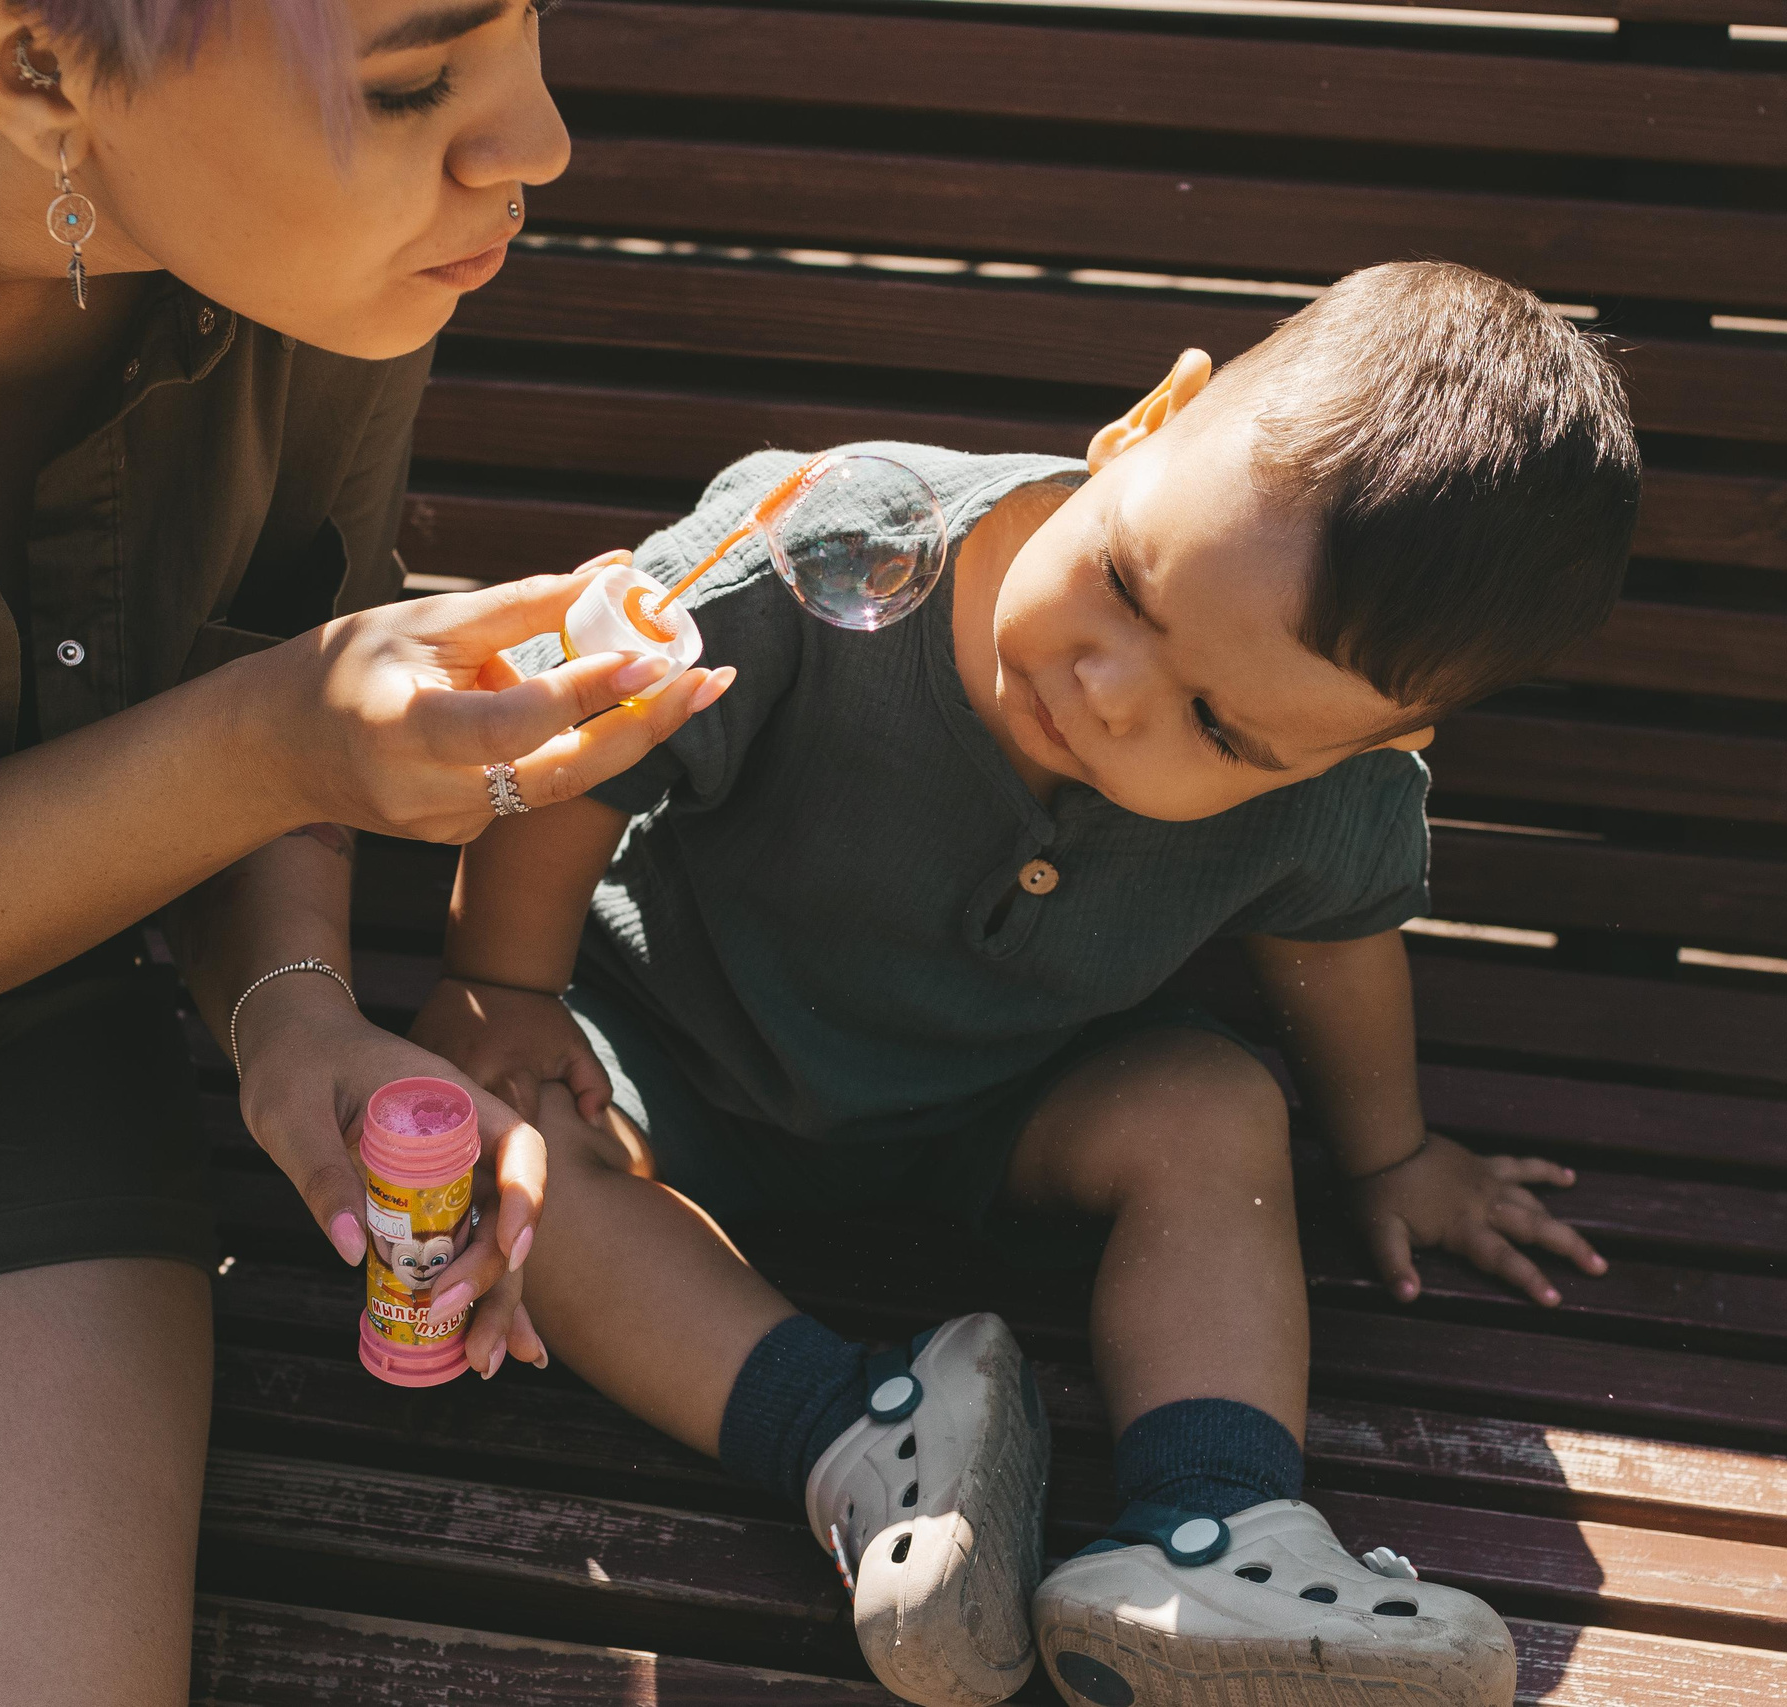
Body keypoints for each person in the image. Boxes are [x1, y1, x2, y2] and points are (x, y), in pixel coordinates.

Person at [414, 261, 1641, 1707]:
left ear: (1369, 745)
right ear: (1146, 421)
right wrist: (502, 984)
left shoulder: (1334, 792)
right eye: (1126, 582)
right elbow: (577, 763)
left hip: (999, 1106)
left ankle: (1213, 1529)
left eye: (1217, 728)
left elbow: (1337, 945)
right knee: (494, 1168)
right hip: (657, 1063)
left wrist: (1392, 1152)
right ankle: (856, 1437)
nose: (1112, 687)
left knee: (1213, 1104)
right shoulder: (828, 545)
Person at [0, 2, 731, 1702]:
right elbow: (251, 725)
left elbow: (263, 646)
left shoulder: (330, 264)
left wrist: (292, 1013)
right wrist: (259, 744)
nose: (539, 148)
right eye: (416, 81)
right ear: (34, 63)